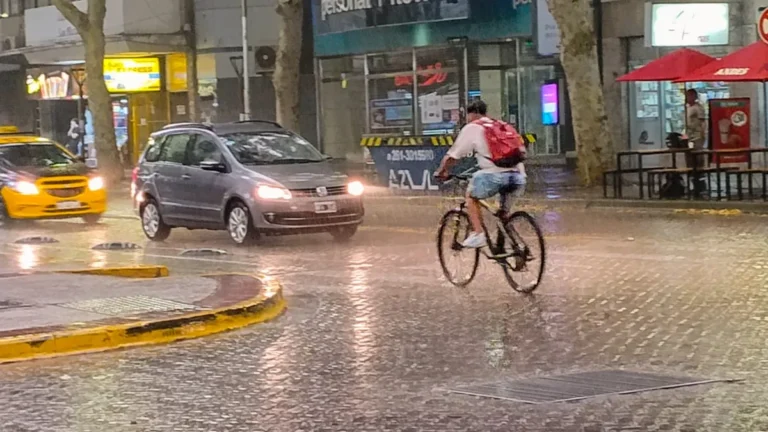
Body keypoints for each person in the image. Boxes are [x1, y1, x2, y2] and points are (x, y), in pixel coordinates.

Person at [436, 100, 526, 249]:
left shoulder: (473, 127)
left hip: (495, 175)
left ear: (471, 114)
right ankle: (515, 249)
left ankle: (478, 234)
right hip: (518, 176)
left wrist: (442, 171)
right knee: (503, 215)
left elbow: (453, 156)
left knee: (471, 196)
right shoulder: (502, 125)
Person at [685, 88, 707, 194]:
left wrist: (703, 135)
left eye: (689, 96)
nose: (687, 98)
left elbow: (702, 122)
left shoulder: (698, 108)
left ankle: (700, 184)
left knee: (698, 160)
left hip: (697, 137)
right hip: (689, 137)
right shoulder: (687, 108)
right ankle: (692, 182)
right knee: (690, 161)